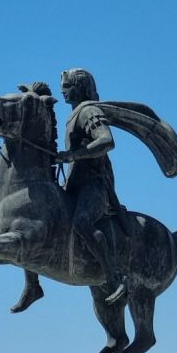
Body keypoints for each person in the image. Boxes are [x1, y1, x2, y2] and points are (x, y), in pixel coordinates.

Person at [55, 68, 127, 304]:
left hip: (94, 186)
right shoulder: (73, 115)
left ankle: (114, 276)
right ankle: (32, 284)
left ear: (80, 87)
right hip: (75, 185)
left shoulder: (88, 111)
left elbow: (107, 140)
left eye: (67, 86)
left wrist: (72, 155)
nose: (62, 91)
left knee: (81, 223)